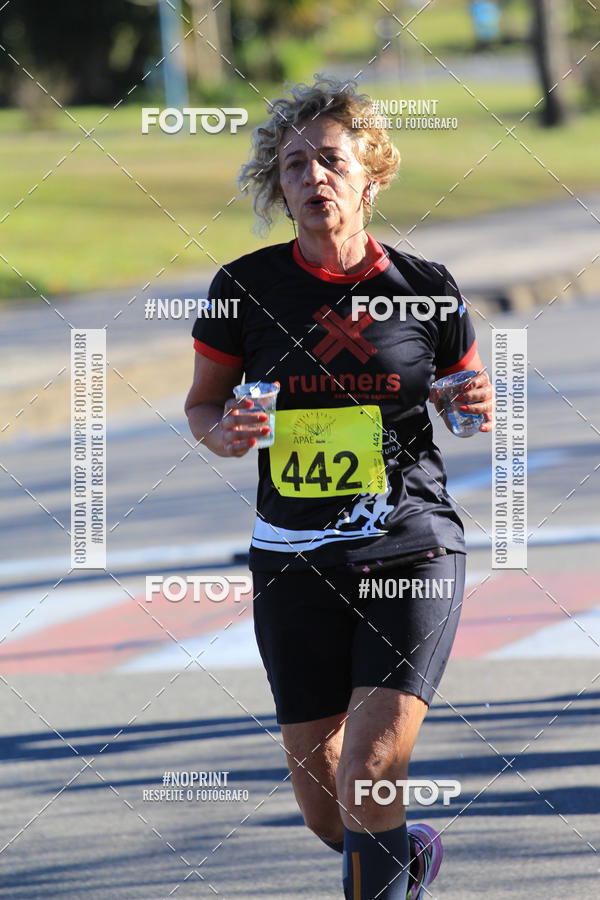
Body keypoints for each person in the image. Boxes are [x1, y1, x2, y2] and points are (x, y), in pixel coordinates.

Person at [185, 75, 493, 899]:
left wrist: (473, 404)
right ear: (278, 189)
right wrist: (225, 434)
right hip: (292, 559)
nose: (313, 177)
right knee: (329, 807)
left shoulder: (426, 287)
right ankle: (405, 855)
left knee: (370, 768)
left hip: (409, 543)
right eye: (294, 166)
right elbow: (203, 406)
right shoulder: (242, 291)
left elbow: (465, 400)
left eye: (330, 159)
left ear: (371, 175)